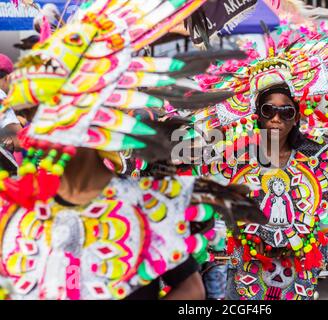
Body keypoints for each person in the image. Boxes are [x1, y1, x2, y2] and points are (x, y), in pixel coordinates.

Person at [0, 0, 261, 300]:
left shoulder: (150, 206)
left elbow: (190, 289)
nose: (40, 129)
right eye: (35, 115)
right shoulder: (16, 213)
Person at [186, 22, 328, 300]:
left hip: (298, 273)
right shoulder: (235, 155)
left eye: (285, 112)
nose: (276, 118)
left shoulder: (313, 154)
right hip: (248, 271)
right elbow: (196, 162)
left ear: (296, 116)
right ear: (257, 114)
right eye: (269, 110)